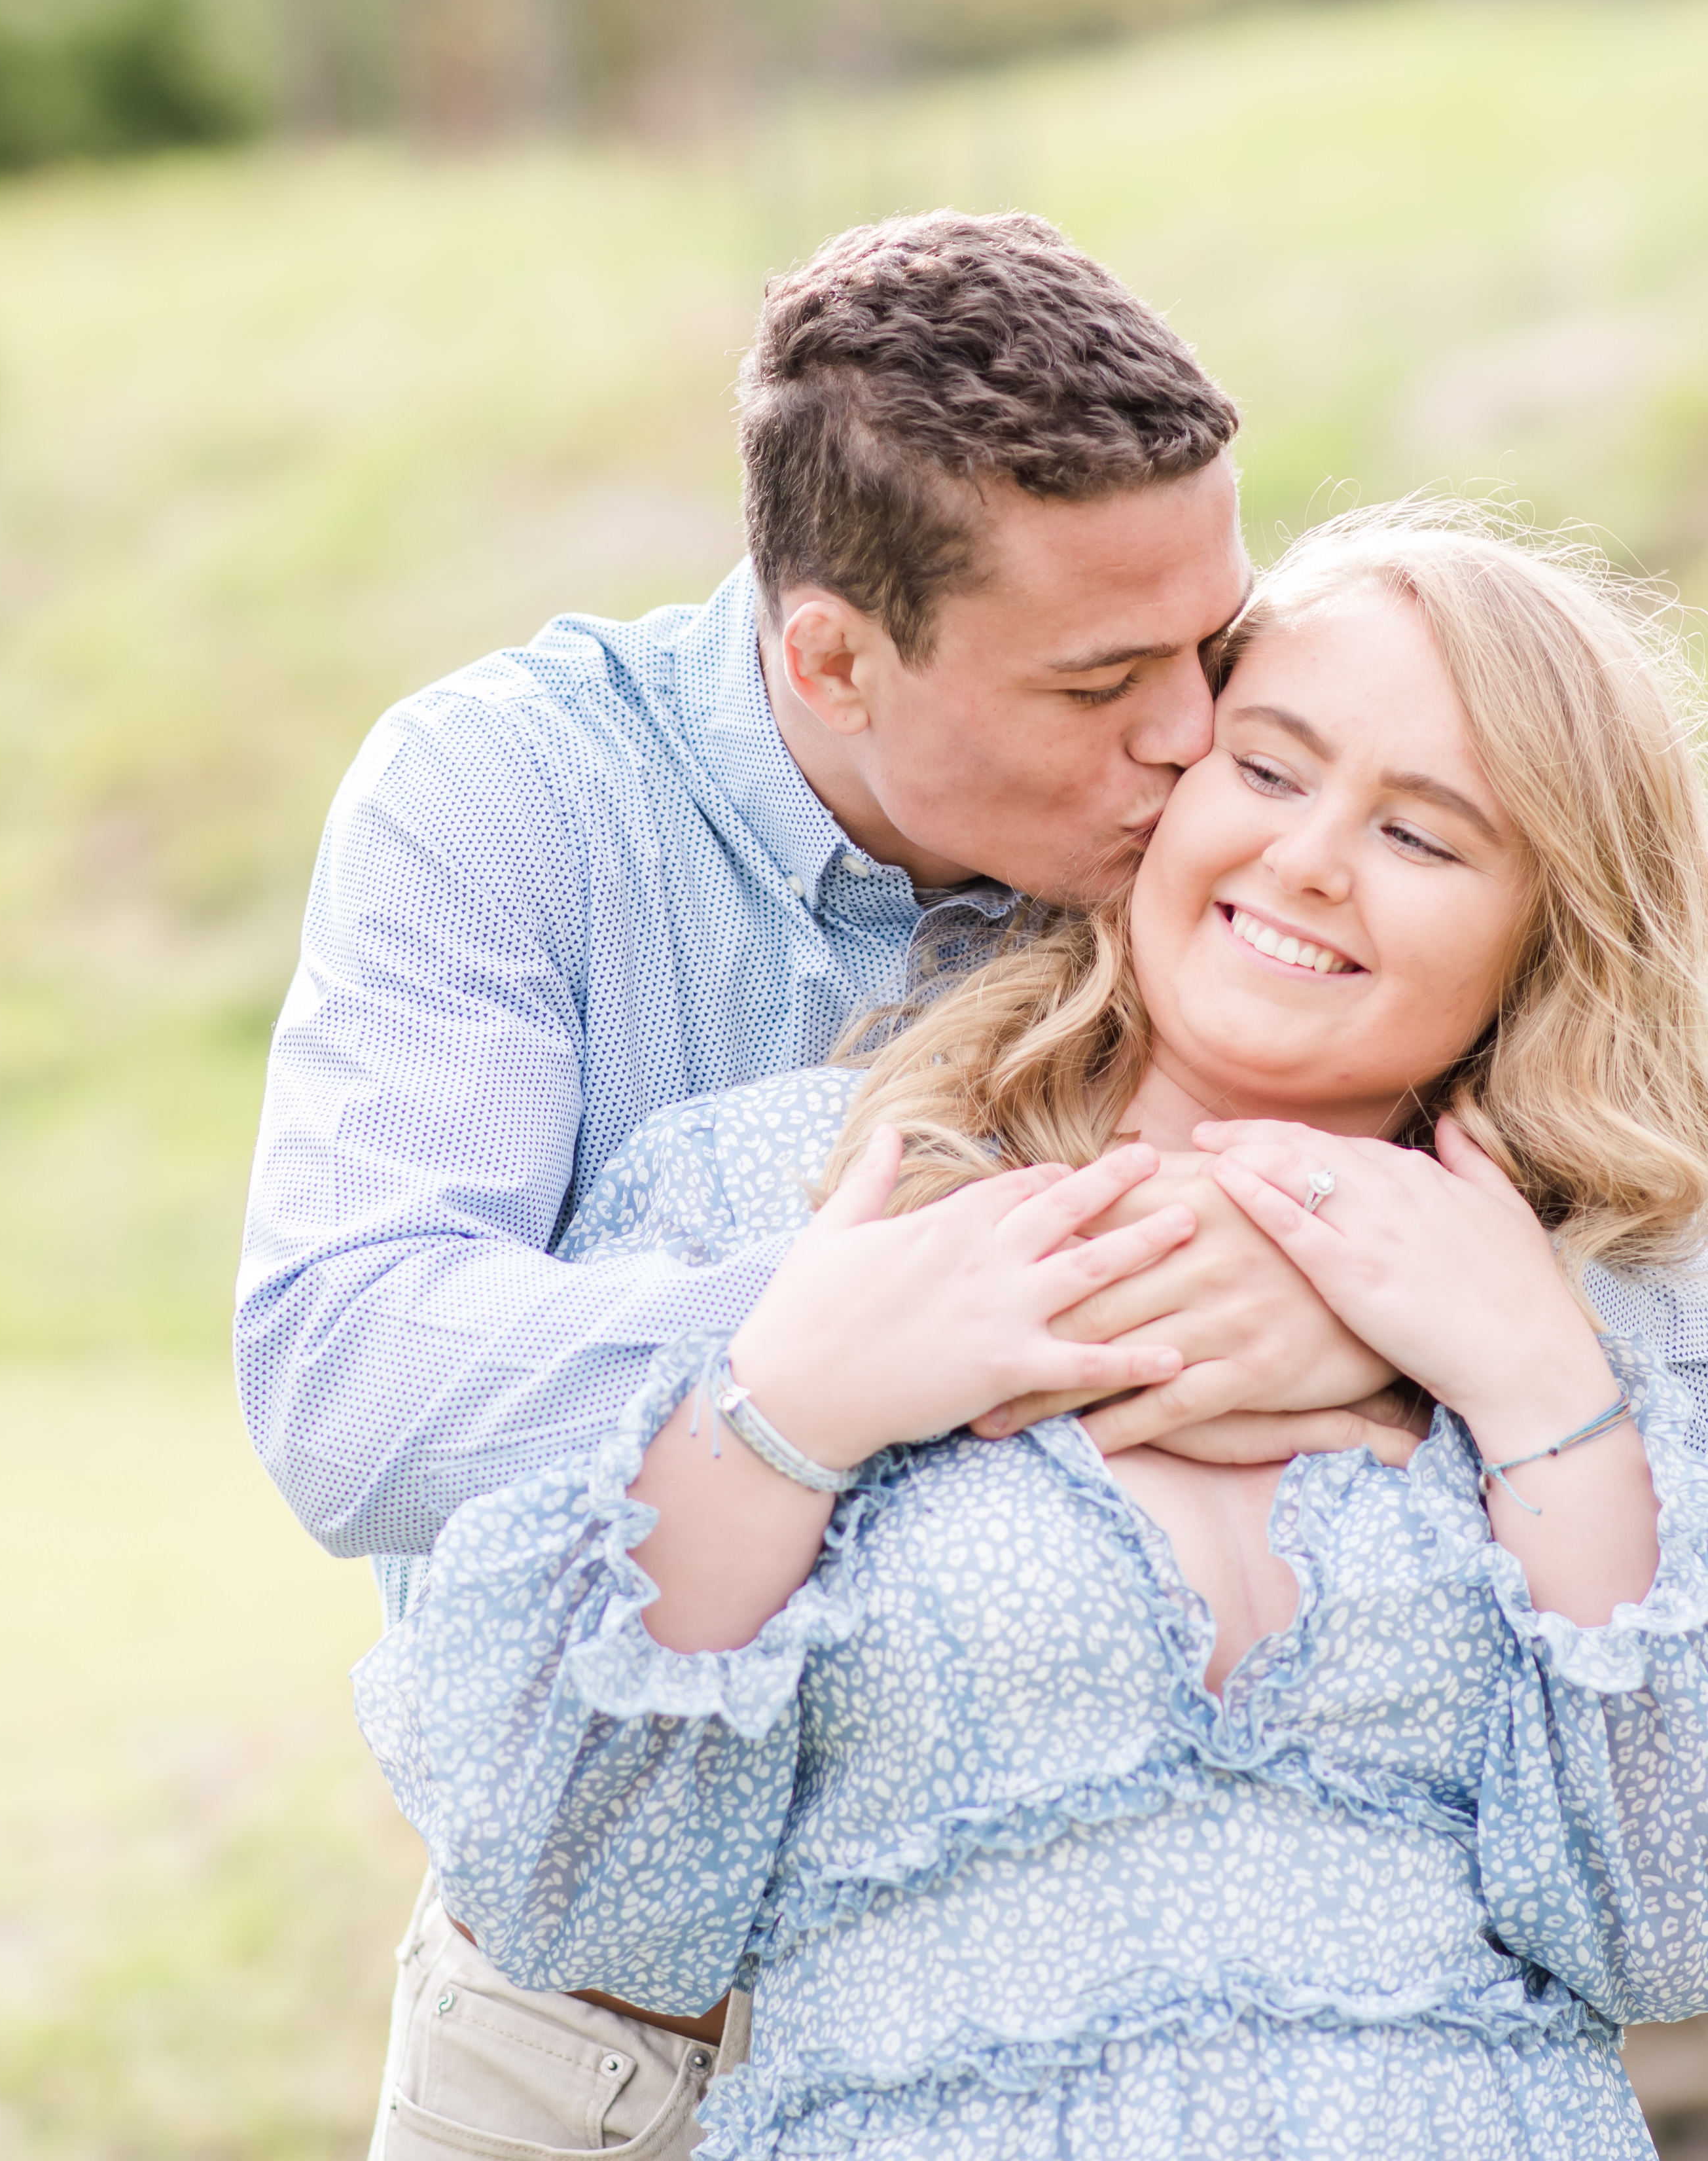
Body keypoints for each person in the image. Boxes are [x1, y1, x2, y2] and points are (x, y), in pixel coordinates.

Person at [357, 505, 1708, 2160]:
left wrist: (1529, 1379)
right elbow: (575, 1882)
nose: (1308, 859)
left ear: (1549, 933)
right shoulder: (796, 1191)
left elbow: (1692, 1914)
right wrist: (789, 1410)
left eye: (1421, 835)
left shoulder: (1572, 1295)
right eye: (1267, 768)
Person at [243, 212, 1433, 2148]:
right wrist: (879, 1335)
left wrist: (1365, 1306)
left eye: (1211, 645)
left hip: (1056, 2051)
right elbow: (351, 1381)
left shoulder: (1237, 840)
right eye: (1100, 681)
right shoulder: (506, 799)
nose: (1194, 734)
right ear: (833, 658)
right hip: (604, 2042)